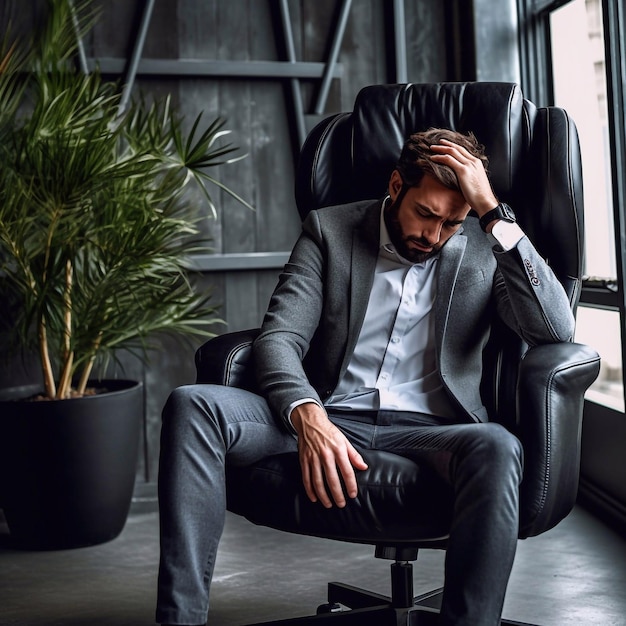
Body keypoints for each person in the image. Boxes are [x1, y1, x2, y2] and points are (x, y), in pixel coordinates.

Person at [156, 128, 575, 626]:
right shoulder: (329, 231)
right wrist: (308, 417)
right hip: (333, 413)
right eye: (425, 214)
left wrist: (490, 211)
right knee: (192, 404)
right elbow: (280, 337)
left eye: (451, 223)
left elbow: (554, 328)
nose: (434, 235)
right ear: (397, 185)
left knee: (500, 446)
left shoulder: (486, 243)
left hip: (434, 430)